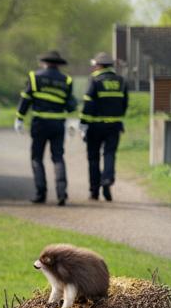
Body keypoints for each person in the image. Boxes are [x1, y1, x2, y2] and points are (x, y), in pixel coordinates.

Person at [15, 49, 77, 205]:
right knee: (58, 157)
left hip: (40, 124)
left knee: (37, 158)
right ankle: (62, 193)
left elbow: (26, 99)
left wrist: (19, 119)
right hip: (58, 124)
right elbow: (71, 106)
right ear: (58, 64)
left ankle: (40, 193)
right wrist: (72, 122)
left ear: (44, 63)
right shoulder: (67, 80)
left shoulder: (34, 77)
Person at [79, 52, 129, 201]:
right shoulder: (121, 81)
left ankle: (94, 191)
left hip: (95, 126)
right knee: (109, 154)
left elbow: (88, 103)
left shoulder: (94, 80)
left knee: (93, 158)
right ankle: (107, 180)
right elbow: (124, 104)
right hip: (114, 125)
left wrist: (83, 124)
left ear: (99, 65)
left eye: (95, 64)